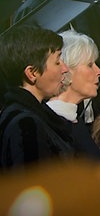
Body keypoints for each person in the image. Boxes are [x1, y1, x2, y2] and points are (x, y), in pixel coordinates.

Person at [0, 25, 75, 169]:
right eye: (57, 62)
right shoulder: (25, 123)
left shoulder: (31, 115)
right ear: (32, 73)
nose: (65, 69)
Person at [47, 30, 100, 160]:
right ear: (66, 70)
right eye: (90, 65)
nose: (99, 71)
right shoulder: (53, 125)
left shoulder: (73, 120)